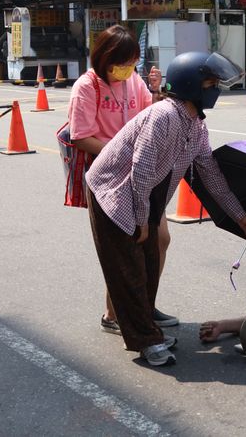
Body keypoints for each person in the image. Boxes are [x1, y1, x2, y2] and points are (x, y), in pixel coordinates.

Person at [86, 51, 246, 366]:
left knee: (150, 263)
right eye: (210, 83)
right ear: (192, 84)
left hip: (144, 195)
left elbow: (212, 176)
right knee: (130, 268)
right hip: (114, 192)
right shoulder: (163, 116)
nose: (216, 89)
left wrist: (240, 215)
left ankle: (145, 327)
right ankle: (145, 341)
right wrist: (142, 220)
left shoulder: (196, 125)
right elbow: (140, 170)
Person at [66, 25, 173, 335]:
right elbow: (81, 136)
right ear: (105, 58)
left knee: (159, 239)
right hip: (108, 178)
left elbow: (148, 117)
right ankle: (115, 313)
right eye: (123, 63)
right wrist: (122, 155)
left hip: (139, 173)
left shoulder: (132, 82)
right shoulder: (87, 87)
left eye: (133, 64)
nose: (128, 70)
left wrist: (154, 92)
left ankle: (143, 305)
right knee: (122, 249)